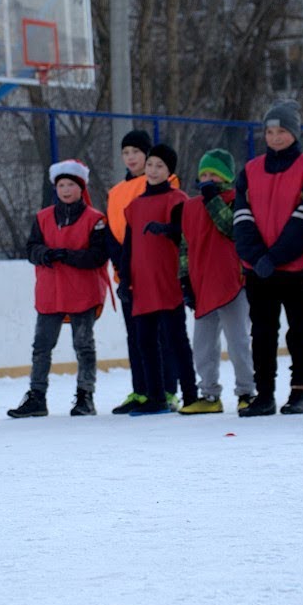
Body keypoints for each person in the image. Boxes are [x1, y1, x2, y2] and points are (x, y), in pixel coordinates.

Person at [233, 100, 303, 416]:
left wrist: (274, 256)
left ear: (294, 133)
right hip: (258, 270)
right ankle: (265, 394)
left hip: (299, 268)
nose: (275, 137)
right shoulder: (249, 170)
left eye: (282, 131)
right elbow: (241, 217)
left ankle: (299, 393)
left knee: (299, 331)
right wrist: (257, 257)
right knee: (262, 333)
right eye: (270, 131)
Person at [8, 159, 110, 418]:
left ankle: (85, 396)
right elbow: (31, 249)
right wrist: (45, 254)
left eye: (71, 185)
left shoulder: (96, 219)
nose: (65, 189)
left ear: (81, 187)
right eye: (61, 185)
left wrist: (67, 256)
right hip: (50, 292)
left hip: (82, 292)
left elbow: (98, 255)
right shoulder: (42, 218)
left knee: (83, 345)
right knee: (41, 346)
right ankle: (37, 396)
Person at [119, 144, 198, 415]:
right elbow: (128, 247)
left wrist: (166, 228)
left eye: (159, 166)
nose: (153, 170)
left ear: (169, 171)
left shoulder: (177, 200)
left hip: (168, 280)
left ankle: (190, 394)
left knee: (176, 340)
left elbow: (184, 235)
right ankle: (156, 397)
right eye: (150, 164)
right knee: (145, 342)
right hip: (142, 284)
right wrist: (124, 280)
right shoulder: (135, 206)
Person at [176, 149, 256, 415]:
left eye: (213, 174)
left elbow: (231, 229)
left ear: (226, 177)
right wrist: (185, 280)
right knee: (203, 344)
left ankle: (246, 391)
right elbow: (185, 246)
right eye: (204, 174)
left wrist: (213, 199)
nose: (207, 179)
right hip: (203, 285)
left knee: (239, 341)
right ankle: (209, 394)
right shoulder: (190, 207)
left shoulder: (237, 201)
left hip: (233, 282)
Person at [105, 130, 179, 414]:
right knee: (136, 336)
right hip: (127, 270)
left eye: (137, 152)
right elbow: (113, 232)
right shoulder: (115, 192)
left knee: (162, 333)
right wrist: (122, 263)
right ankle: (141, 390)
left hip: (154, 269)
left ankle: (167, 389)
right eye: (126, 152)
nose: (131, 157)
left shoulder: (164, 185)